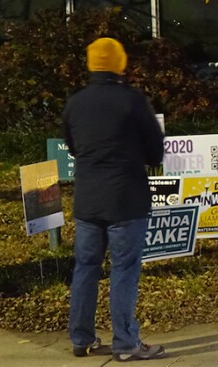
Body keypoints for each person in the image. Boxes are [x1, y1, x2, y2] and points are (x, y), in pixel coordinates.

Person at [63, 38, 166, 361]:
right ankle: (125, 342)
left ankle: (81, 338)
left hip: (87, 200)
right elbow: (155, 151)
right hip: (126, 199)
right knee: (124, 270)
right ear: (120, 62)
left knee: (85, 268)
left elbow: (73, 146)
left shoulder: (75, 103)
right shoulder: (132, 101)